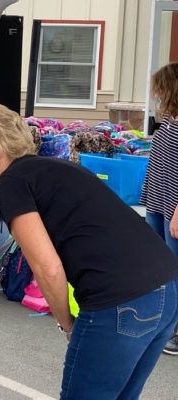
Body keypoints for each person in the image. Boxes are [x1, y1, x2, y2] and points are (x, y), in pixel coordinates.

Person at [0, 103, 178, 399]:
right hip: (166, 286)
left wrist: (67, 326)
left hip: (119, 297)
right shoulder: (50, 167)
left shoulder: (12, 182)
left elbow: (47, 267)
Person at [141, 62, 178, 355]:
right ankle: (162, 323)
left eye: (159, 87)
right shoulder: (167, 118)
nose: (155, 93)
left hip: (174, 207)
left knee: (174, 269)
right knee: (160, 266)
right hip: (157, 200)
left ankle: (174, 330)